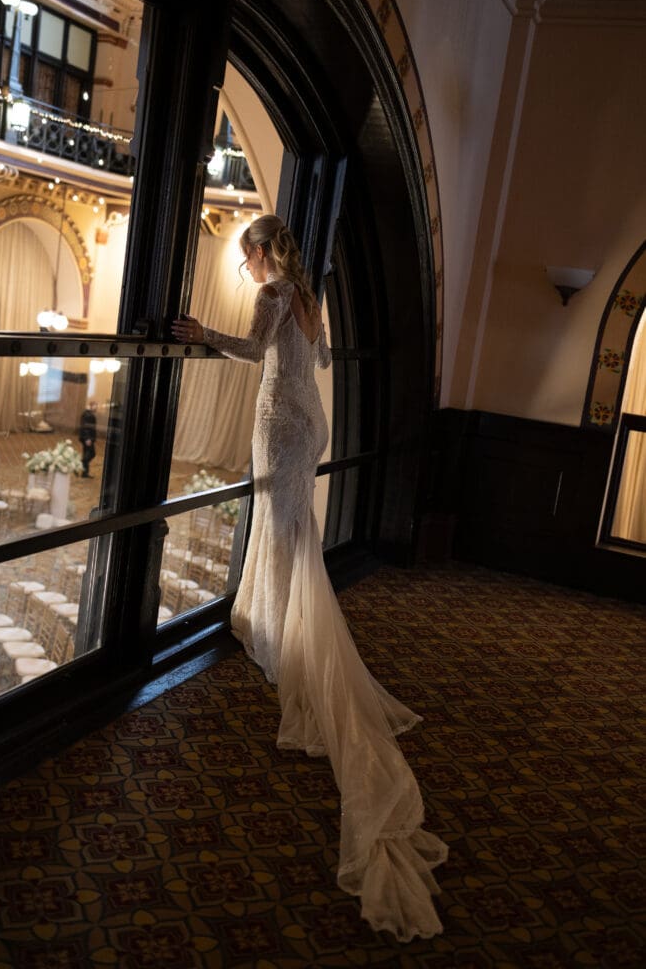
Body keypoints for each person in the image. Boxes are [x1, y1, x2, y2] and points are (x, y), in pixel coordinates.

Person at [172, 215, 447, 941]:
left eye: (248, 257)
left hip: (279, 422)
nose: (248, 268)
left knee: (279, 524)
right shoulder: (310, 297)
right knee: (293, 527)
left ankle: (277, 628)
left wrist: (201, 333)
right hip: (310, 421)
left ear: (263, 252)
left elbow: (253, 350)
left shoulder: (272, 295)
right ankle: (281, 617)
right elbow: (317, 358)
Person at [79, 400, 97, 478]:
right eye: (95, 406)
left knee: (87, 453)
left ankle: (84, 472)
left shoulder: (87, 414)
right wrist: (88, 439)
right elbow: (86, 427)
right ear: (91, 406)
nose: (96, 408)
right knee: (91, 453)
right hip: (87, 439)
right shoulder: (88, 415)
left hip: (86, 438)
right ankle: (82, 464)